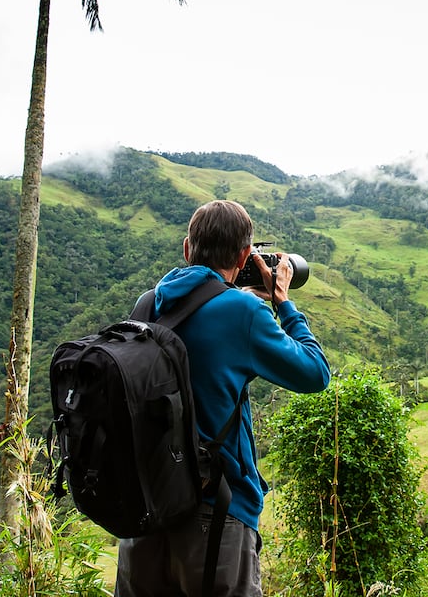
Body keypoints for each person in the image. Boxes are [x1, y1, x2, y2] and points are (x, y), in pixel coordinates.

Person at [115, 199, 330, 597]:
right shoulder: (243, 311)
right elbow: (316, 374)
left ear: (186, 248)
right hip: (215, 515)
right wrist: (282, 302)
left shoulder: (147, 304)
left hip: (146, 512)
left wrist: (234, 297)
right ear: (245, 254)